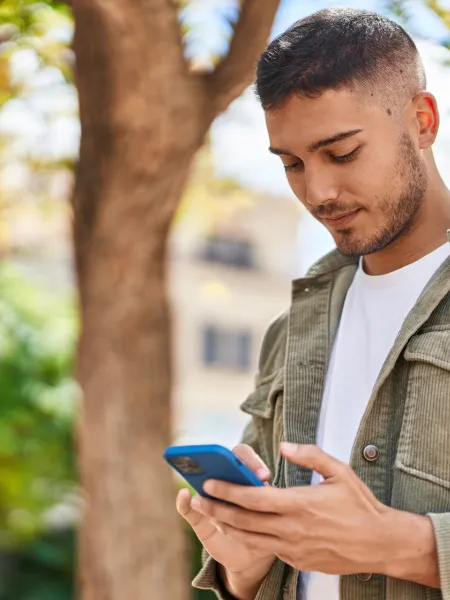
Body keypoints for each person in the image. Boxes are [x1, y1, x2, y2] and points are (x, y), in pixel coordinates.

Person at [176, 8, 450, 600]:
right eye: (293, 164)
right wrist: (245, 568)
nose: (317, 192)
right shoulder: (294, 327)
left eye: (343, 152)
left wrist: (402, 545)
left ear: (422, 121)